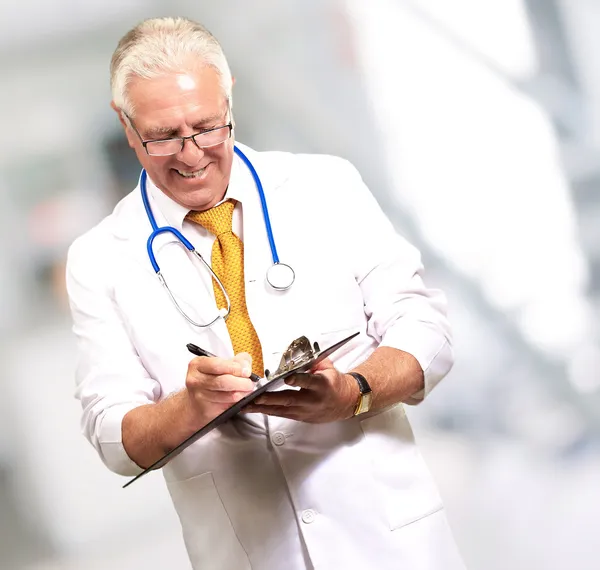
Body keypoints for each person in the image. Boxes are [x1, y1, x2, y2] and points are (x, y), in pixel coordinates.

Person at [66, 16, 466, 570]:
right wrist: (190, 408)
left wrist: (354, 391)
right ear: (127, 125)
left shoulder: (324, 185)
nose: (190, 154)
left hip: (389, 542)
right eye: (162, 136)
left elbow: (426, 331)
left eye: (207, 126)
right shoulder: (100, 257)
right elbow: (112, 433)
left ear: (229, 99)